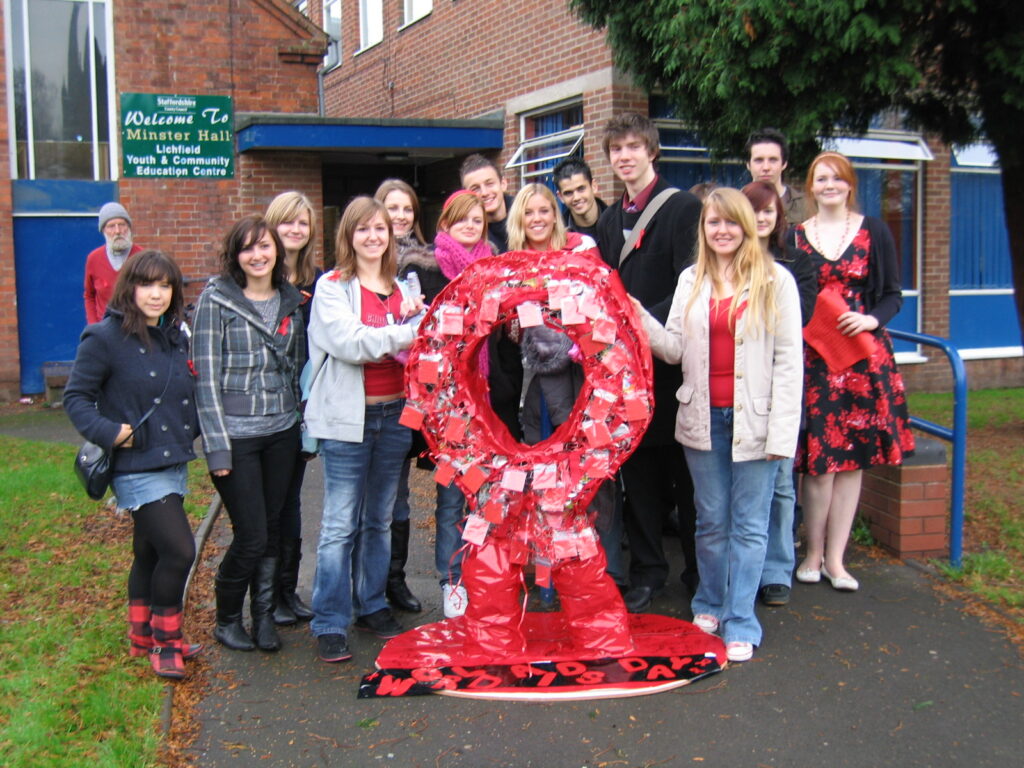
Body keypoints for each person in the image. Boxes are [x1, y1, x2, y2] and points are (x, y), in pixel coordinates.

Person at [636, 187, 803, 663]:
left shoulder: (776, 281)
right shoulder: (691, 280)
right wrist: (636, 314)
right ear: (703, 229)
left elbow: (790, 364)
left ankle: (740, 618)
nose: (722, 231)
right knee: (710, 522)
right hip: (703, 417)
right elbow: (672, 348)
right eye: (714, 223)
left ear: (746, 227)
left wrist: (782, 434)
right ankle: (709, 601)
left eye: (731, 222)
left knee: (750, 526)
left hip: (758, 420)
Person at [65, 250, 202, 679]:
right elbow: (76, 398)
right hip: (135, 465)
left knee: (148, 552)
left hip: (173, 460)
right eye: (148, 284)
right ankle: (166, 643)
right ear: (130, 287)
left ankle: (141, 634)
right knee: (180, 551)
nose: (157, 294)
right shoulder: (103, 338)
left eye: (165, 286)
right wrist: (109, 432)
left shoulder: (176, 336)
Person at [305, 196, 425, 664]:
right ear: (348, 236)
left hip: (395, 415)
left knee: (378, 519)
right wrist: (412, 330)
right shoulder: (332, 287)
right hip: (347, 420)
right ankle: (330, 620)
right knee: (339, 524)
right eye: (363, 229)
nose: (374, 236)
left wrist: (422, 318)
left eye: (380, 229)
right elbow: (351, 343)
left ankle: (371, 604)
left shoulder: (402, 286)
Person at [793, 151, 915, 592]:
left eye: (837, 179)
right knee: (819, 466)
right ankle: (811, 553)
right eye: (821, 178)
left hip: (862, 361)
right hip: (815, 362)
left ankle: (837, 561)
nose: (829, 185)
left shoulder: (873, 230)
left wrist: (871, 319)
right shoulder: (796, 236)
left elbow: (892, 294)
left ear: (849, 185)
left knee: (851, 464)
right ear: (811, 187)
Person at [595, 112, 702, 612]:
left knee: (686, 479)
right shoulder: (608, 219)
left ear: (651, 151)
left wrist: (641, 328)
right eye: (617, 149)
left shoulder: (682, 208)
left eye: (634, 147)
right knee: (635, 478)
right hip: (625, 374)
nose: (625, 156)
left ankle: (700, 573)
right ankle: (648, 572)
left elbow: (690, 282)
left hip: (672, 365)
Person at [194, 216, 306, 653]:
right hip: (236, 439)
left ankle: (263, 618)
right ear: (235, 256)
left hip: (282, 432)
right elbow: (205, 379)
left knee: (274, 527)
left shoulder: (290, 301)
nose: (257, 255)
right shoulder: (216, 301)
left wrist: (300, 426)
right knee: (252, 534)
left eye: (264, 246)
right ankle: (226, 618)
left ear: (277, 251)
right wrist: (217, 447)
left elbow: (297, 370)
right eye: (247, 248)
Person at [421, 190, 500, 617]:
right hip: (449, 399)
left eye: (477, 220)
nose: (470, 226)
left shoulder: (492, 265)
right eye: (461, 220)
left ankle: (482, 577)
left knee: (484, 492)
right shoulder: (431, 267)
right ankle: (451, 581)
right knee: (452, 493)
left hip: (485, 393)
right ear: (446, 223)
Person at [741, 181, 818, 607]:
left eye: (769, 211)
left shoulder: (796, 264)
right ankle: (746, 570)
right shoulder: (725, 260)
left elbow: (798, 320)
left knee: (782, 485)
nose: (761, 218)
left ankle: (777, 569)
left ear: (779, 217)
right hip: (739, 390)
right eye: (754, 210)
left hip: (778, 386)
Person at [374, 179, 434, 615]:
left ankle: (395, 580)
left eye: (406, 208)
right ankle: (373, 583)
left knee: (399, 496)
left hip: (414, 394)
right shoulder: (362, 267)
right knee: (374, 495)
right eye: (391, 208)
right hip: (373, 391)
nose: (399, 216)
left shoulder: (427, 264)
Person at [264, 191, 322, 627]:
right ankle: (266, 596)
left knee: (291, 501)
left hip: (303, 405)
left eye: (302, 223)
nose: (295, 230)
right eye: (287, 222)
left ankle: (287, 590)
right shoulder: (258, 275)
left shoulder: (317, 281)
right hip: (264, 405)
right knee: (269, 503)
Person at [84, 202, 143, 324]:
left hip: (136, 329)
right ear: (103, 230)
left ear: (129, 228)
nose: (118, 231)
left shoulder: (142, 257)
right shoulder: (94, 259)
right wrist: (93, 326)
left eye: (122, 225)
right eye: (111, 226)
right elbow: (89, 295)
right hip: (105, 331)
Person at [744, 128, 808, 225]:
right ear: (748, 164)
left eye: (773, 160)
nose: (766, 167)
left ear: (784, 164)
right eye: (759, 160)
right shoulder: (735, 202)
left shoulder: (805, 205)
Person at [460, 154, 514, 252]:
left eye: (489, 184)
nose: (484, 193)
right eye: (475, 188)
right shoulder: (462, 230)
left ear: (503, 184)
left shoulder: (528, 216)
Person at [552, 158, 607, 243]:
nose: (576, 197)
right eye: (568, 193)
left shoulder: (617, 222)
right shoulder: (557, 236)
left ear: (594, 186)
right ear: (560, 197)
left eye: (581, 189)